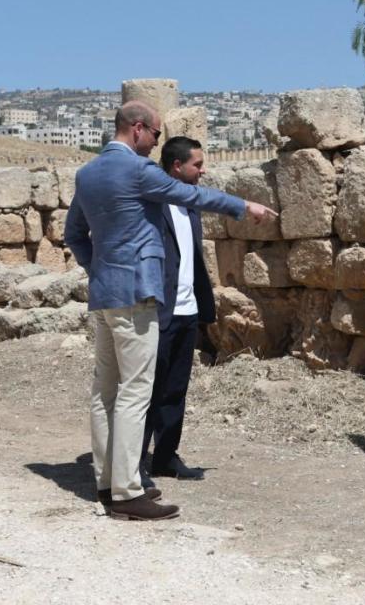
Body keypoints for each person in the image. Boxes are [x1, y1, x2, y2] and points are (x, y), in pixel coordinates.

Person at [64, 101, 276, 521]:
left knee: (105, 391)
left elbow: (75, 233)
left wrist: (100, 268)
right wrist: (243, 206)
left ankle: (107, 482)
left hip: (105, 293)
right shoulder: (138, 170)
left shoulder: (87, 173)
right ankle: (127, 492)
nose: (156, 143)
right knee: (135, 391)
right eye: (157, 135)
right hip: (138, 293)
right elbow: (190, 194)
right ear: (138, 129)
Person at [141, 136, 213, 481]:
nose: (202, 170)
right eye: (197, 165)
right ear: (176, 167)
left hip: (188, 310)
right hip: (158, 311)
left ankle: (166, 457)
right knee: (146, 391)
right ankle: (134, 462)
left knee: (175, 390)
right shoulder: (151, 204)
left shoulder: (191, 205)